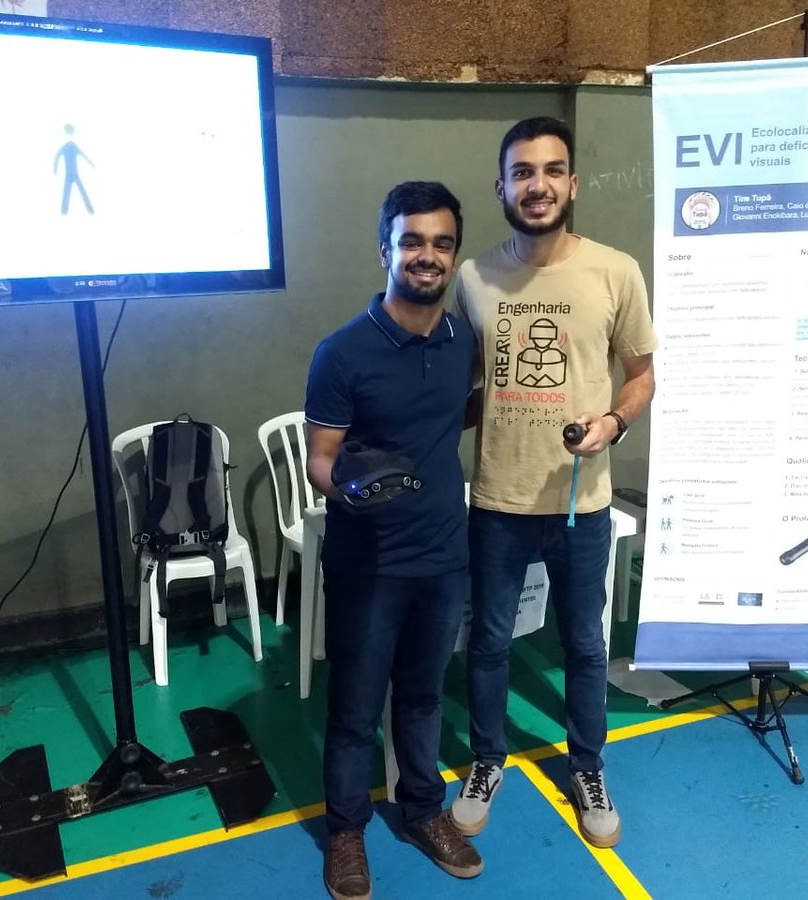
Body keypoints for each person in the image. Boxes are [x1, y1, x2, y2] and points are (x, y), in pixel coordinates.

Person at [449, 117, 657, 848]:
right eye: (522, 171)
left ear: (572, 183)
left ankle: (589, 766)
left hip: (580, 504)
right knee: (489, 646)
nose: (537, 185)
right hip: (497, 502)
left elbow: (641, 375)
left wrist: (615, 424)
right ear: (500, 186)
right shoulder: (473, 278)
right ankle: (486, 760)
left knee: (586, 647)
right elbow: (469, 389)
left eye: (551, 170)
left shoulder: (615, 270)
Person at [306, 181, 482, 900]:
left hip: (443, 554)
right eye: (412, 241)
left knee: (421, 695)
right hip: (368, 562)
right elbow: (321, 458)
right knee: (354, 706)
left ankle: (421, 810)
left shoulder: (462, 338)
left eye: (441, 243)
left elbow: (453, 415)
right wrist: (351, 488)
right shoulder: (341, 353)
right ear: (386, 249)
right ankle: (346, 830)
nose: (427, 256)